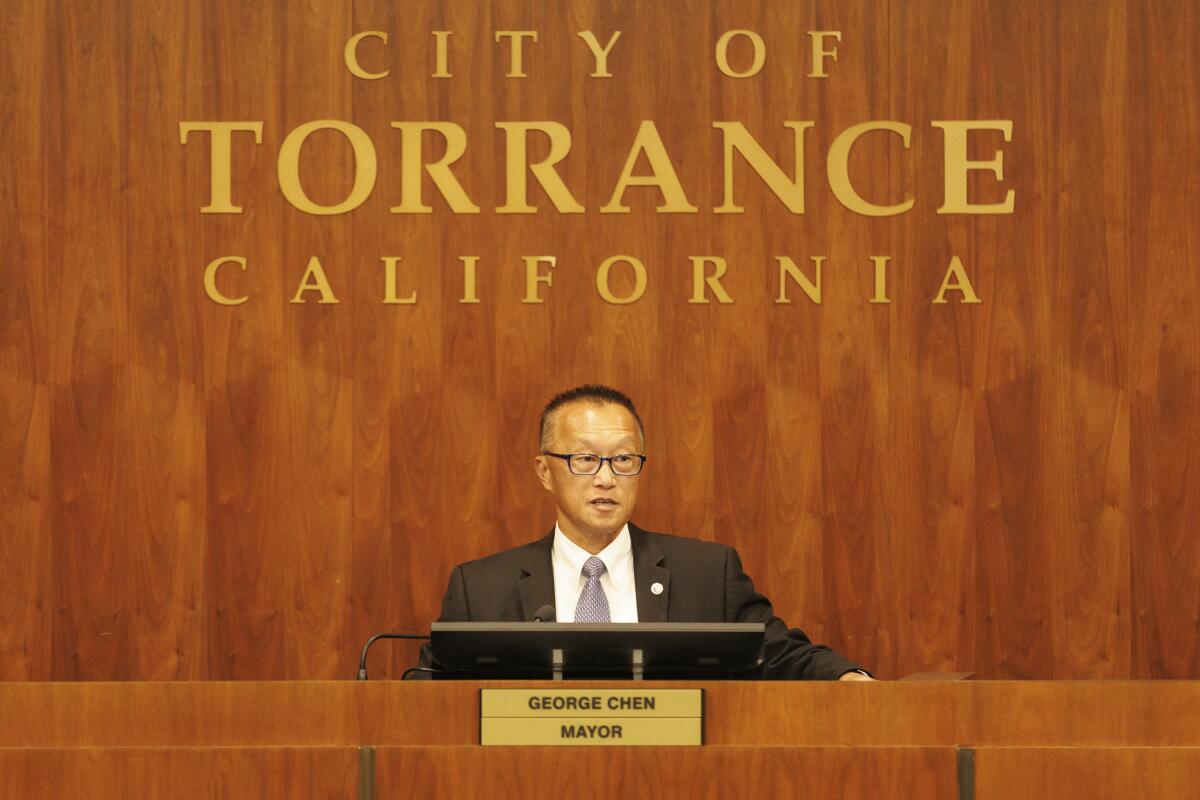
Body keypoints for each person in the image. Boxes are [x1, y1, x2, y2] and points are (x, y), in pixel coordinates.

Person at [422, 384, 874, 680]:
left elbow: (776, 654)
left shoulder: (706, 574)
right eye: (584, 459)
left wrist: (846, 678)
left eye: (623, 460)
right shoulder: (480, 587)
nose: (606, 478)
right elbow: (428, 689)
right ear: (544, 471)